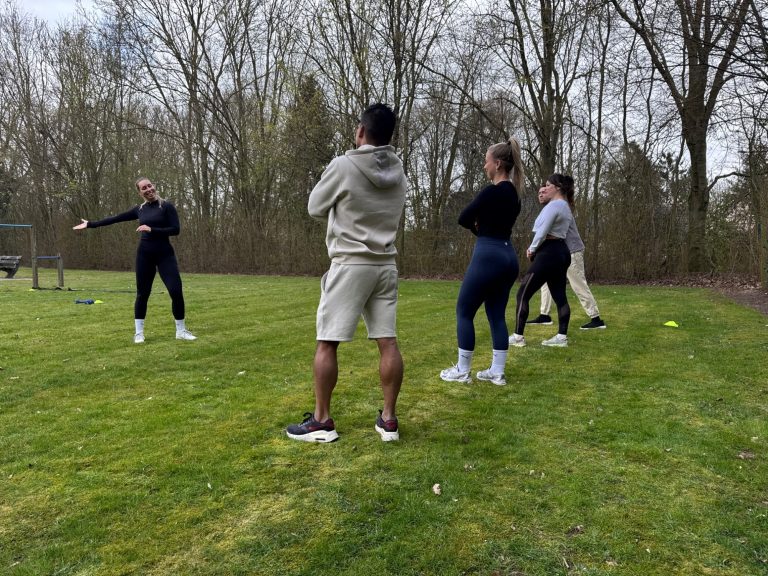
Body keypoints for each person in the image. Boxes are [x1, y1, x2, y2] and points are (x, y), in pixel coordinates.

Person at [286, 103, 407, 443]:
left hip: (350, 264)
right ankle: (389, 420)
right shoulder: (400, 172)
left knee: (327, 342)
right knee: (387, 341)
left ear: (360, 132)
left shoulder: (343, 165)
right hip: (386, 264)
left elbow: (314, 207)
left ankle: (322, 422)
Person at [439, 138, 523, 386]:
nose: (484, 166)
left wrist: (479, 228)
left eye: (486, 162)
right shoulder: (516, 195)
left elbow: (464, 217)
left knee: (464, 311)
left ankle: (462, 370)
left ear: (497, 164)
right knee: (496, 314)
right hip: (509, 257)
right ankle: (497, 372)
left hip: (488, 254)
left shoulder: (491, 192)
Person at [73, 177, 196, 344]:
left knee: (176, 291)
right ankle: (139, 333)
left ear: (154, 186)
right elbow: (116, 218)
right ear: (140, 192)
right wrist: (91, 224)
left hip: (165, 254)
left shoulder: (166, 206)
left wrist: (151, 229)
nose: (149, 189)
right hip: (145, 255)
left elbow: (175, 230)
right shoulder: (140, 209)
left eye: (150, 186)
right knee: (142, 294)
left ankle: (181, 331)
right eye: (144, 188)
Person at [527, 182, 606, 330]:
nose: (541, 194)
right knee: (545, 283)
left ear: (553, 192)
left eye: (544, 191)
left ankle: (596, 318)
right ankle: (544, 315)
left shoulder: (559, 207)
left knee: (578, 284)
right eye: (539, 193)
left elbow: (543, 234)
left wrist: (533, 249)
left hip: (571, 251)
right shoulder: (551, 209)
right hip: (557, 254)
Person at [509, 173, 574, 348]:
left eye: (548, 185)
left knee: (523, 293)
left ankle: (518, 337)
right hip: (561, 252)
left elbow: (543, 230)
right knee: (560, 296)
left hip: (549, 252)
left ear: (557, 188)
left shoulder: (556, 205)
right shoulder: (566, 206)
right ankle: (561, 337)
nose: (544, 188)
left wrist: (532, 248)